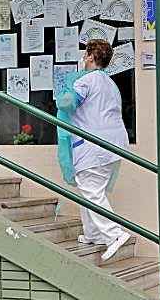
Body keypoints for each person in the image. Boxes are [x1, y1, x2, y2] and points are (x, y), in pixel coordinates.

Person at [55, 39, 130, 261]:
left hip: (93, 146)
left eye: (85, 53)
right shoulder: (109, 83)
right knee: (90, 187)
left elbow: (67, 104)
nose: (83, 57)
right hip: (114, 146)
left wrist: (64, 89)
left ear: (89, 56)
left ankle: (114, 234)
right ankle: (93, 234)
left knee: (91, 190)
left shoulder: (85, 81)